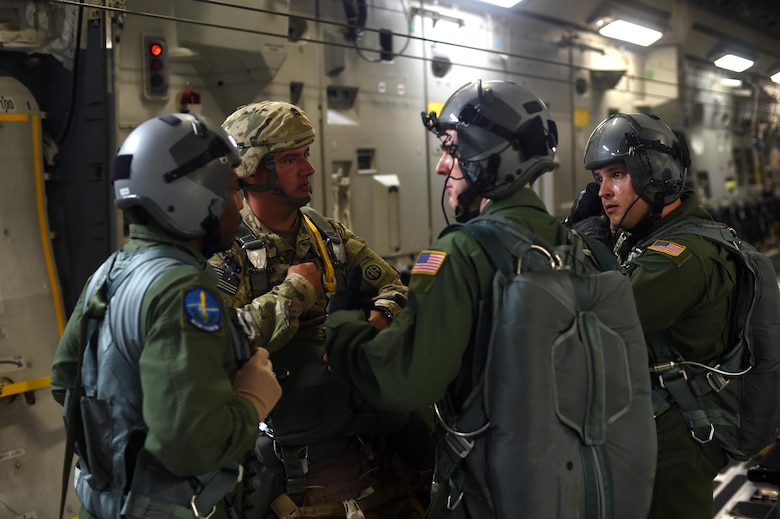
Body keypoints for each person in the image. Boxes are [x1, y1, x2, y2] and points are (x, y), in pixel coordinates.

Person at [324, 79, 567, 517]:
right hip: (570, 479)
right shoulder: (582, 248)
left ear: (489, 159)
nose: (441, 167)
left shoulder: (458, 253)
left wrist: (342, 325)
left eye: (451, 150)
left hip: (494, 488)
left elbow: (403, 382)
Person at [50, 112, 295, 519]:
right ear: (193, 199)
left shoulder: (111, 271)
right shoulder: (181, 291)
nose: (238, 204)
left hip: (106, 502)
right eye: (232, 191)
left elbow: (65, 383)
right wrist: (251, 401)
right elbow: (192, 447)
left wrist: (124, 453)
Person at [210, 101, 427, 518]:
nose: (308, 169)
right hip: (284, 461)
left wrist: (373, 324)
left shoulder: (326, 235)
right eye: (291, 159)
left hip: (360, 449)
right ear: (253, 170)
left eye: (305, 155)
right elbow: (218, 346)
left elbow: (399, 288)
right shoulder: (226, 251)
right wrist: (293, 294)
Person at [571, 112, 737, 519]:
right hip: (647, 430)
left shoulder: (680, 257)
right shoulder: (650, 239)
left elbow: (591, 319)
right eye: (599, 179)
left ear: (656, 176)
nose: (604, 191)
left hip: (674, 443)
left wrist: (585, 250)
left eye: (617, 175)